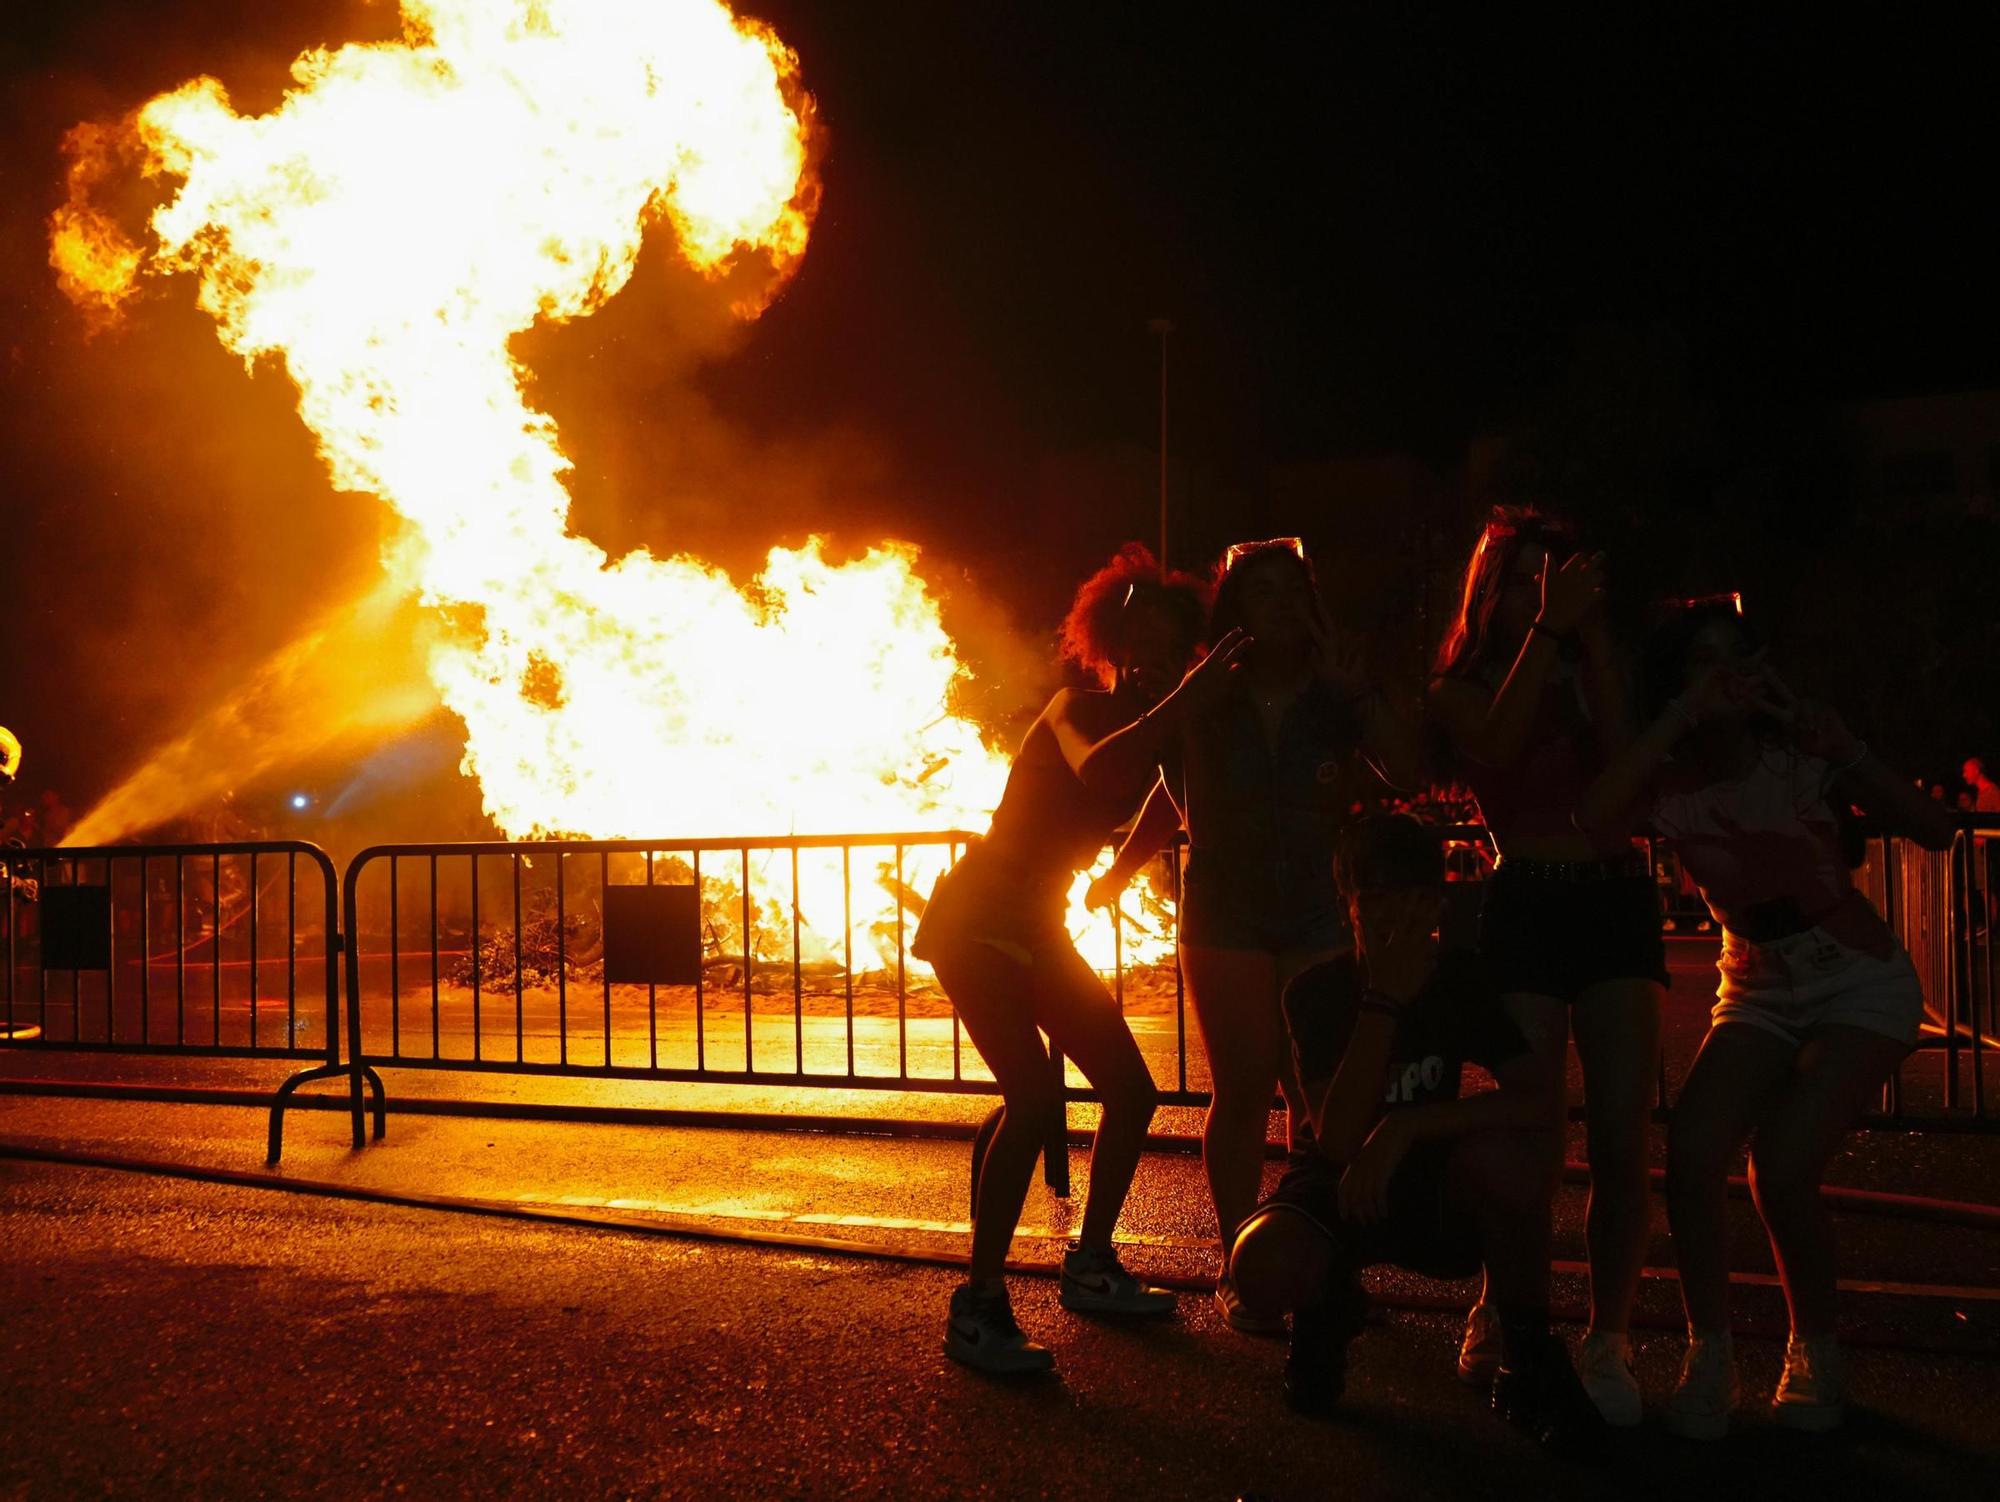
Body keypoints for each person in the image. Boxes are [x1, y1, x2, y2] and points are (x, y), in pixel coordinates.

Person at [1576, 601, 1955, 1436]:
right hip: (1754, 983)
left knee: (1779, 1166)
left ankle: (1814, 1353)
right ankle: (1708, 1353)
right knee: (1693, 1151)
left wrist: (1846, 749)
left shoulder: (1801, 754)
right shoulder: (1669, 784)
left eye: (1735, 658)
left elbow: (1938, 829)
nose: (1724, 676)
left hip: (1858, 978)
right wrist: (1677, 715)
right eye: (1700, 663)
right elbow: (1596, 815)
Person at [915, 544, 1239, 1375]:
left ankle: (1090, 1263)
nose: (1155, 657)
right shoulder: (1076, 707)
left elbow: (1165, 799)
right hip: (981, 914)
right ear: (1108, 644)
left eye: (1173, 642)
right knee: (1033, 1098)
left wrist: (1121, 874)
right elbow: (1105, 769)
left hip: (1043, 922)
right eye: (1139, 639)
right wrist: (1192, 700)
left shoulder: (1172, 724)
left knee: (1130, 1090)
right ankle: (978, 1305)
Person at [1086, 538, 1422, 1331]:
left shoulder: (1335, 694)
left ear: (1309, 605)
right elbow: (1174, 793)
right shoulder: (1209, 693)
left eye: (1288, 590)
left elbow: (1407, 774)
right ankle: (1241, 1263)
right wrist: (1122, 870)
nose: (1275, 604)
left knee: (1322, 1098)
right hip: (1225, 911)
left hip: (1317, 908)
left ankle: (1324, 1262)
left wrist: (1363, 694)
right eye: (1258, 591)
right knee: (1241, 1091)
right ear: (1234, 610)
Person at [1226, 816, 1604, 1453]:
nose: (1393, 915)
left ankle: (1528, 1356)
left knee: (1514, 1162)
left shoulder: (1459, 980)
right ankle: (1326, 1306)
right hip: (1339, 1182)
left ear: (1435, 903)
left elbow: (1538, 1099)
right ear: (1346, 905)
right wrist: (1384, 999)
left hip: (1430, 1177)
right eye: (1374, 898)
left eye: (1412, 896)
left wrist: (1408, 1125)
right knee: (1257, 1268)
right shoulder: (1316, 992)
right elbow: (1340, 1138)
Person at [1425, 507, 1665, 1424]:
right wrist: (1543, 631)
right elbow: (1492, 740)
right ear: (1491, 593)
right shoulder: (1464, 681)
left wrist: (1593, 644)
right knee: (1530, 1126)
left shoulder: (1590, 660)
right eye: (1521, 579)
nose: (1541, 592)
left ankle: (1610, 1336)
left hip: (1613, 896)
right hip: (1523, 894)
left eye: (1552, 578)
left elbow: (1629, 766)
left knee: (1617, 1135)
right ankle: (1506, 1305)